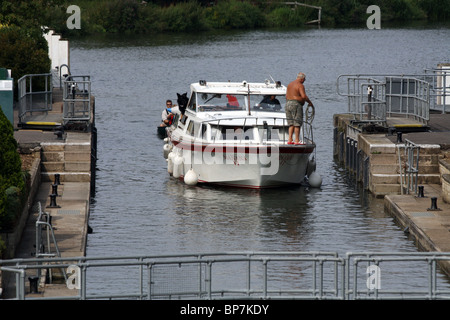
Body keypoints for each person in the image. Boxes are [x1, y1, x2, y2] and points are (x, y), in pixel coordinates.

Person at [285, 72, 314, 145]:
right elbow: (303, 96)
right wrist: (310, 103)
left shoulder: (290, 84)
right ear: (302, 79)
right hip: (296, 105)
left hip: (287, 104)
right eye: (304, 79)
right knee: (297, 123)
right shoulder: (300, 85)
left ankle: (290, 140)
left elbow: (286, 96)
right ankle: (297, 140)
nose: (304, 81)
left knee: (291, 123)